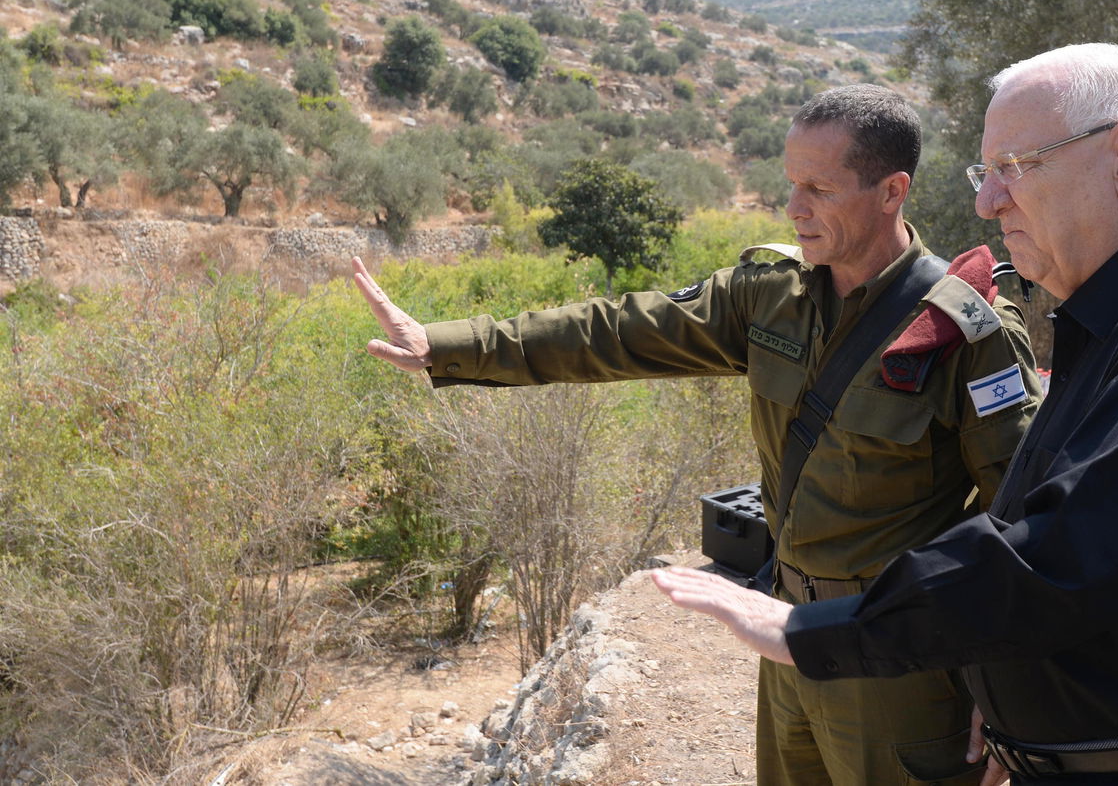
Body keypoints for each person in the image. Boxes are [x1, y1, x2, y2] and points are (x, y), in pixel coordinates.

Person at [654, 44, 1118, 786]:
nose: (987, 202)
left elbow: (1071, 553)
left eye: (1014, 167)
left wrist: (817, 629)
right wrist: (1001, 682)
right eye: (983, 173)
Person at [354, 83, 1042, 785]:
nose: (794, 206)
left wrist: (1006, 687)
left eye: (819, 188)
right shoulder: (772, 293)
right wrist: (446, 345)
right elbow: (617, 333)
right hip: (786, 636)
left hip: (900, 664)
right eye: (790, 183)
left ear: (892, 190)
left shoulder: (965, 331)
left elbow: (1022, 523)